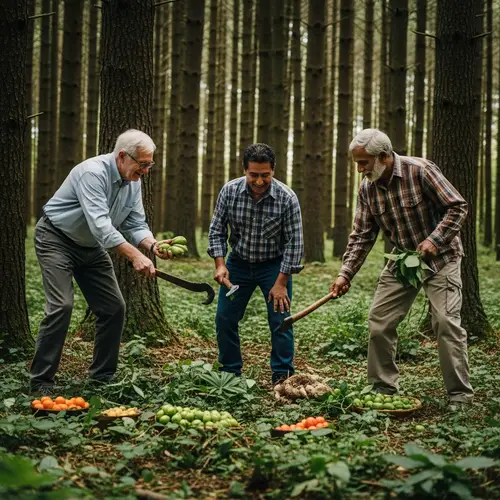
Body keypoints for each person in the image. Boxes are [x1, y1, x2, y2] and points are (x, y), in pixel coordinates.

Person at [330, 128, 474, 407]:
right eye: (357, 163)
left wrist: (434, 239)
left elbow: (457, 206)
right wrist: (344, 274)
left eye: (364, 163)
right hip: (403, 260)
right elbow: (361, 236)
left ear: (383, 156)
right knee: (379, 322)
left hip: (442, 258)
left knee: (445, 322)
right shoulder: (367, 189)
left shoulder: (421, 170)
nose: (360, 170)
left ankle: (459, 395)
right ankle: (382, 387)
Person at [30, 129, 171, 392]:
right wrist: (135, 255)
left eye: (149, 164)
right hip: (56, 239)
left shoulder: (133, 182)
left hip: (91, 248)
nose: (146, 171)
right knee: (61, 306)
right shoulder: (92, 173)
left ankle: (101, 378)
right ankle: (41, 381)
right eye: (142, 164)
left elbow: (135, 222)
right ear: (122, 156)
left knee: (113, 308)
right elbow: (101, 226)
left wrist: (151, 245)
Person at [208, 143, 304, 385]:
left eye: (265, 175)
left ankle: (282, 376)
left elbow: (295, 243)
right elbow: (217, 230)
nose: (259, 181)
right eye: (253, 175)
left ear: (273, 170)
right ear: (245, 170)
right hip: (238, 264)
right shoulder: (229, 192)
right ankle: (230, 373)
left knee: (280, 321)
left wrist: (281, 283)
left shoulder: (287, 198)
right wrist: (220, 264)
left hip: (274, 267)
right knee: (224, 318)